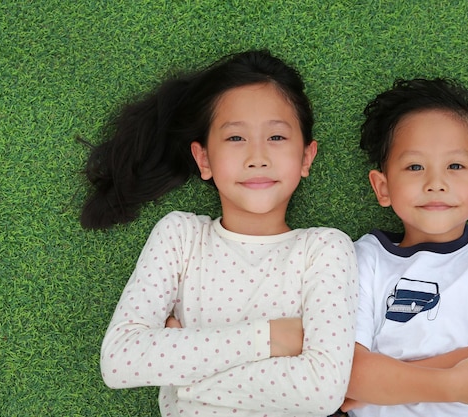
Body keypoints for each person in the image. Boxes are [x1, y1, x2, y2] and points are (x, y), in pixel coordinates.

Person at [83, 50, 359, 417]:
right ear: (204, 160)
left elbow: (322, 391)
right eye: (235, 138)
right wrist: (270, 338)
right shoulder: (179, 236)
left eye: (276, 137)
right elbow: (120, 361)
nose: (257, 157)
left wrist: (185, 375)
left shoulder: (325, 248)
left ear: (306, 157)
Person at [343, 78, 468, 417]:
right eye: (415, 166)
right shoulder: (365, 258)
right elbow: (350, 374)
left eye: (456, 166)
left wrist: (383, 382)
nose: (436, 183)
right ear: (382, 187)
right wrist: (454, 384)